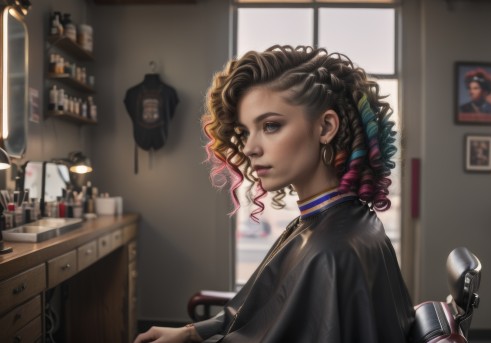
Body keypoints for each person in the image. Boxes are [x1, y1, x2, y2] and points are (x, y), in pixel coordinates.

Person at [134, 45, 414, 343]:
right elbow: (263, 310)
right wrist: (191, 334)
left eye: (270, 126)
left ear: (326, 127)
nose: (249, 148)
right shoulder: (347, 219)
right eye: (244, 132)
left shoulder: (329, 252)